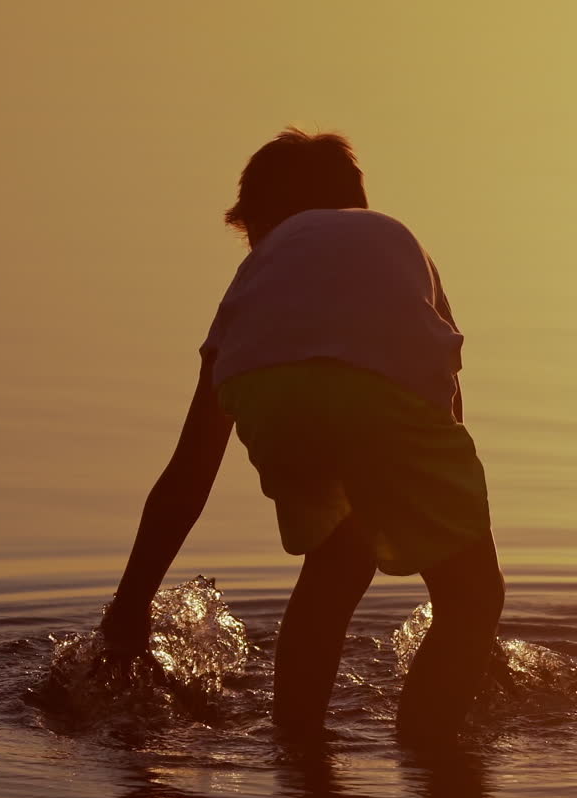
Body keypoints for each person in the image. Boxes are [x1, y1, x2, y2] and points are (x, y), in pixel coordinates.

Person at [101, 129, 504, 745]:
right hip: (387, 398)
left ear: (260, 223)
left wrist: (129, 607)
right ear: (356, 201)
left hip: (268, 395)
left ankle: (298, 750)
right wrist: (471, 630)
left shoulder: (256, 276)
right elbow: (447, 411)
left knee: (337, 562)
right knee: (471, 595)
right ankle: (430, 760)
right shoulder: (393, 241)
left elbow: (190, 472)